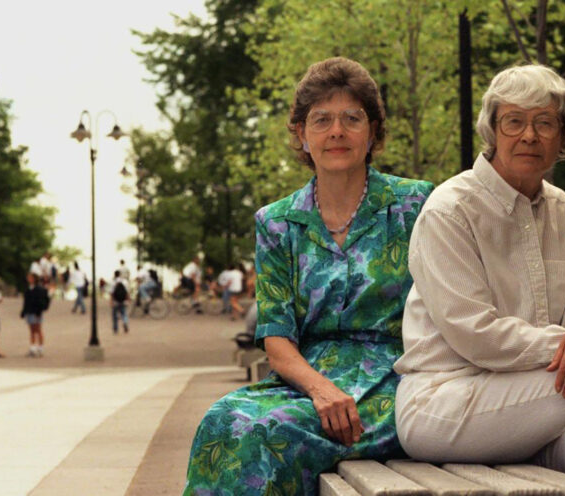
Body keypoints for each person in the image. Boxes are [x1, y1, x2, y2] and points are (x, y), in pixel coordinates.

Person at [393, 64, 565, 496]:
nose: (529, 135)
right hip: (445, 403)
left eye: (544, 123)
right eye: (514, 121)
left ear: (564, 136)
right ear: (493, 131)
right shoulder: (450, 211)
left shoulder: (563, 210)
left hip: (533, 399)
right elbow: (476, 336)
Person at [183, 57, 433, 494]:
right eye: (321, 120)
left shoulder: (416, 205)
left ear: (372, 130)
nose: (337, 131)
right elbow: (277, 339)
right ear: (301, 133)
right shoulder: (276, 222)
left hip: (393, 380)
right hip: (304, 380)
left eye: (352, 118)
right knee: (220, 421)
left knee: (268, 437)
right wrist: (320, 389)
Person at [21, 272, 50, 357]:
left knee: (38, 330)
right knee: (32, 330)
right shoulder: (29, 289)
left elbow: (40, 301)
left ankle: (40, 348)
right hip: (30, 311)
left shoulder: (39, 289)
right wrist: (24, 311)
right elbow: (26, 302)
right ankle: (33, 347)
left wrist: (39, 311)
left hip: (36, 312)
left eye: (30, 278)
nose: (28, 279)